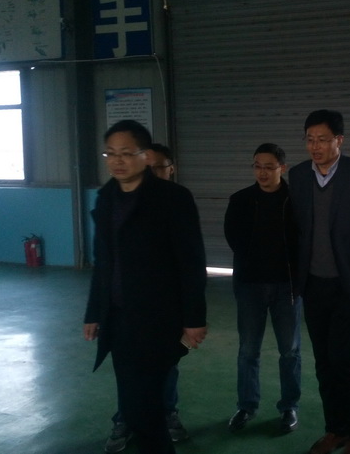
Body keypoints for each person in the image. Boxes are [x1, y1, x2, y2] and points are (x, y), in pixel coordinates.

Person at [83, 120, 207, 454]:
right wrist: (94, 312)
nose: (117, 160)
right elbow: (102, 263)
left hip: (158, 319)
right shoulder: (106, 199)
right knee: (134, 402)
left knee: (146, 405)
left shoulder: (172, 198)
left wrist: (194, 318)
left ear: (146, 156)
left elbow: (191, 262)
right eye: (110, 153)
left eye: (126, 153)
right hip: (119, 318)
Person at [288, 110, 350, 454]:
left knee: (345, 362)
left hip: (348, 285)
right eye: (310, 140)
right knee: (323, 363)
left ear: (339, 140)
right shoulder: (299, 175)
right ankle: (336, 429)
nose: (315, 146)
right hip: (313, 284)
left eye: (322, 139)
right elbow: (297, 226)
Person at [104, 142, 187, 453]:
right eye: (147, 168)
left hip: (166, 309)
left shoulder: (178, 203)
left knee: (166, 365)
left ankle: (167, 414)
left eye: (159, 168)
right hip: (129, 308)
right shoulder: (125, 203)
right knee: (127, 369)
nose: (152, 174)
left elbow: (189, 263)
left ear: (171, 169)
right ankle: (124, 420)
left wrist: (191, 315)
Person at [224, 143, 301, 434]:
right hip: (250, 287)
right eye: (257, 166)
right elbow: (233, 237)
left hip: (287, 287)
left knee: (290, 351)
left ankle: (289, 406)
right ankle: (246, 406)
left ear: (283, 168)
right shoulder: (241, 200)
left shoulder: (296, 200)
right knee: (248, 350)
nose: (262, 172)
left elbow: (304, 239)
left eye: (269, 167)